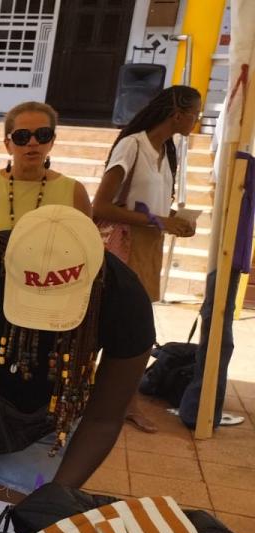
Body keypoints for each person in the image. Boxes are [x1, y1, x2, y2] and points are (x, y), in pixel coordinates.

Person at [0, 206, 154, 530]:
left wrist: (55, 498)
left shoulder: (126, 299)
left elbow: (103, 418)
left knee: (12, 521)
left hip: (49, 417)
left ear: (93, 279)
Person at [93, 86, 202, 433]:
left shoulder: (166, 151)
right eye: (194, 114)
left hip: (146, 247)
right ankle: (100, 401)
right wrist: (159, 220)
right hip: (121, 246)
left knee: (133, 330)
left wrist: (174, 220)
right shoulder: (133, 145)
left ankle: (123, 403)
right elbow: (102, 206)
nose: (197, 121)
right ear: (177, 114)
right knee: (112, 326)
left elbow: (150, 209)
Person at [0, 102, 93, 231]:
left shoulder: (75, 192)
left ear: (52, 141)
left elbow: (85, 244)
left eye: (43, 135)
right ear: (8, 144)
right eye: (22, 136)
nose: (33, 143)